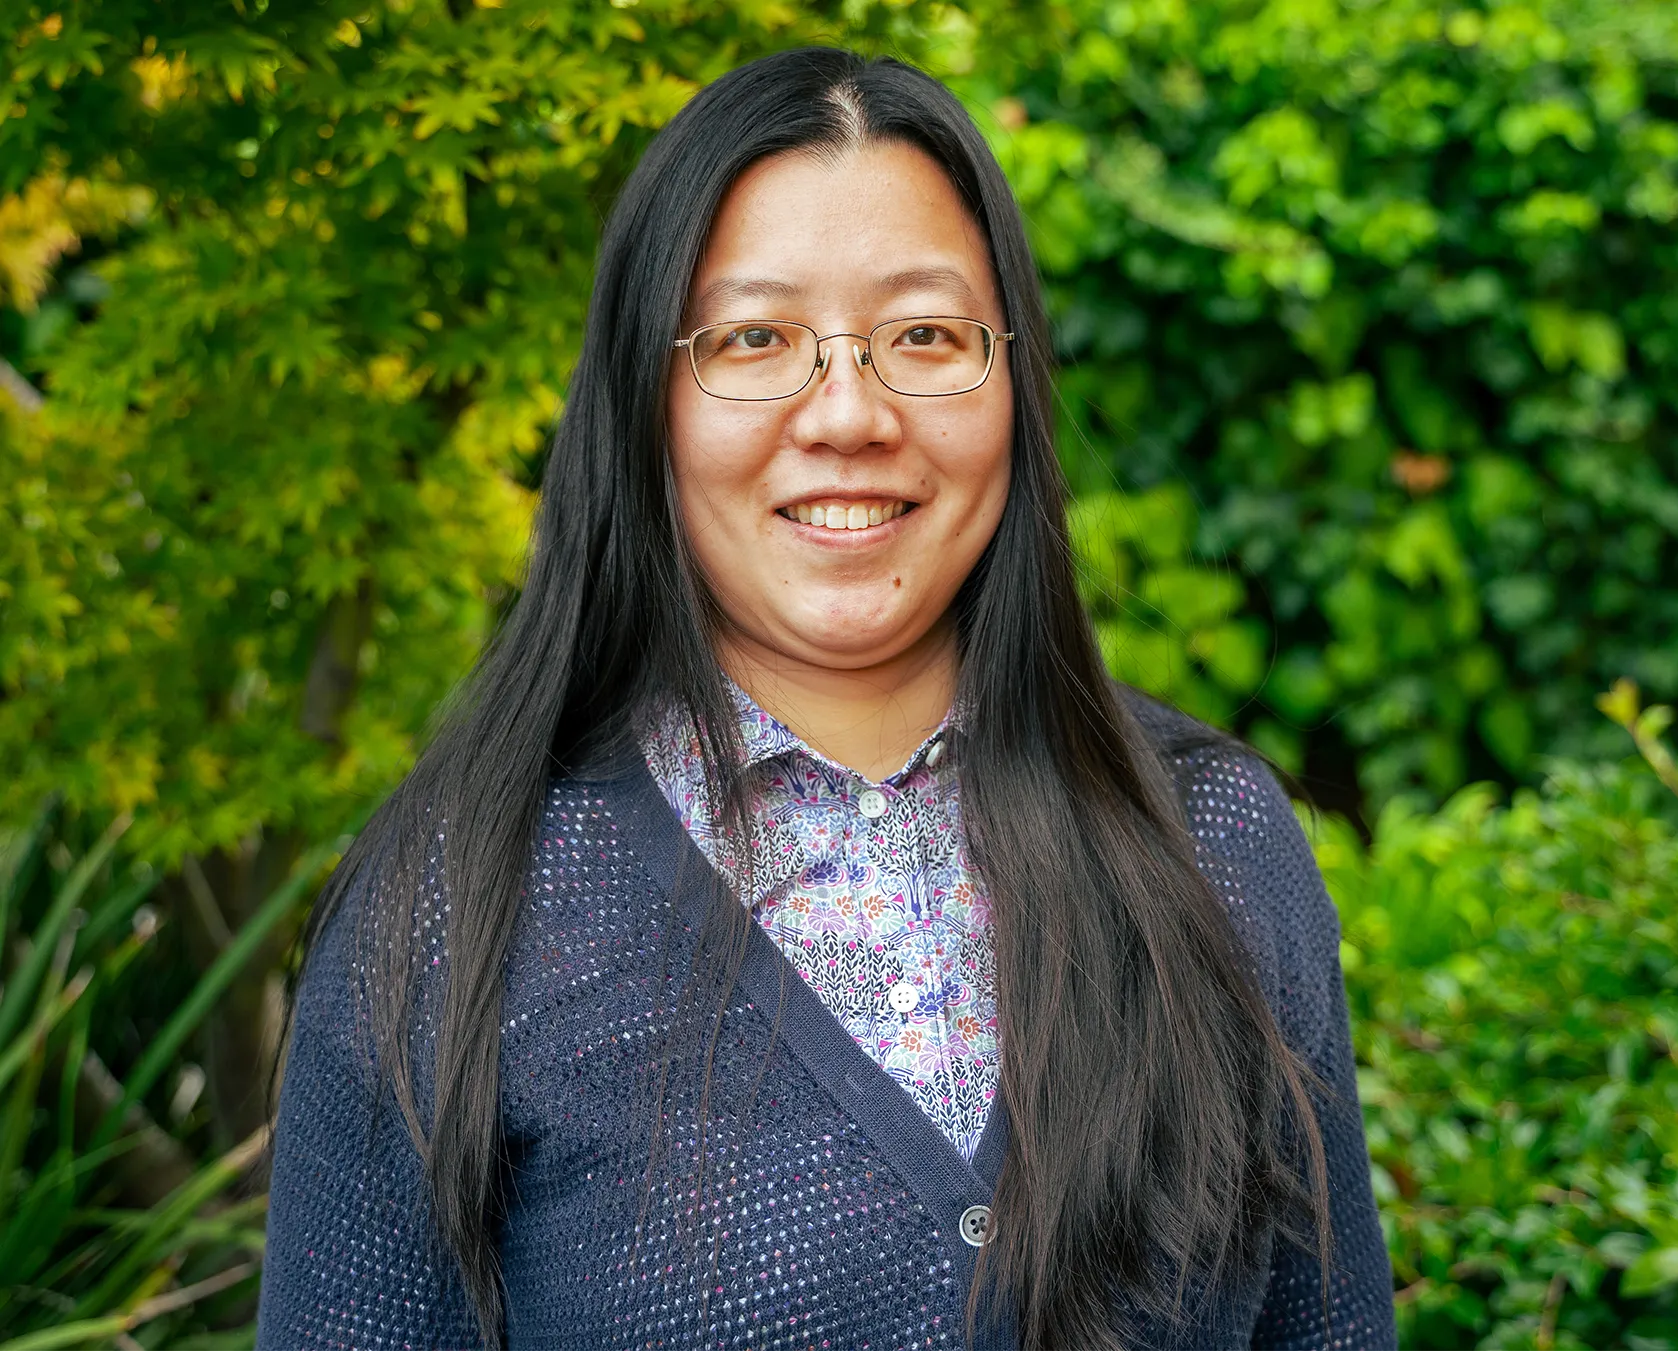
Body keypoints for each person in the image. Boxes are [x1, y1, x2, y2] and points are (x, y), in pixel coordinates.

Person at [256, 47, 1395, 1351]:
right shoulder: (456, 901)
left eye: (923, 334)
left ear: (1011, 381)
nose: (846, 411)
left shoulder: (1213, 843)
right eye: (755, 338)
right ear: (646, 399)